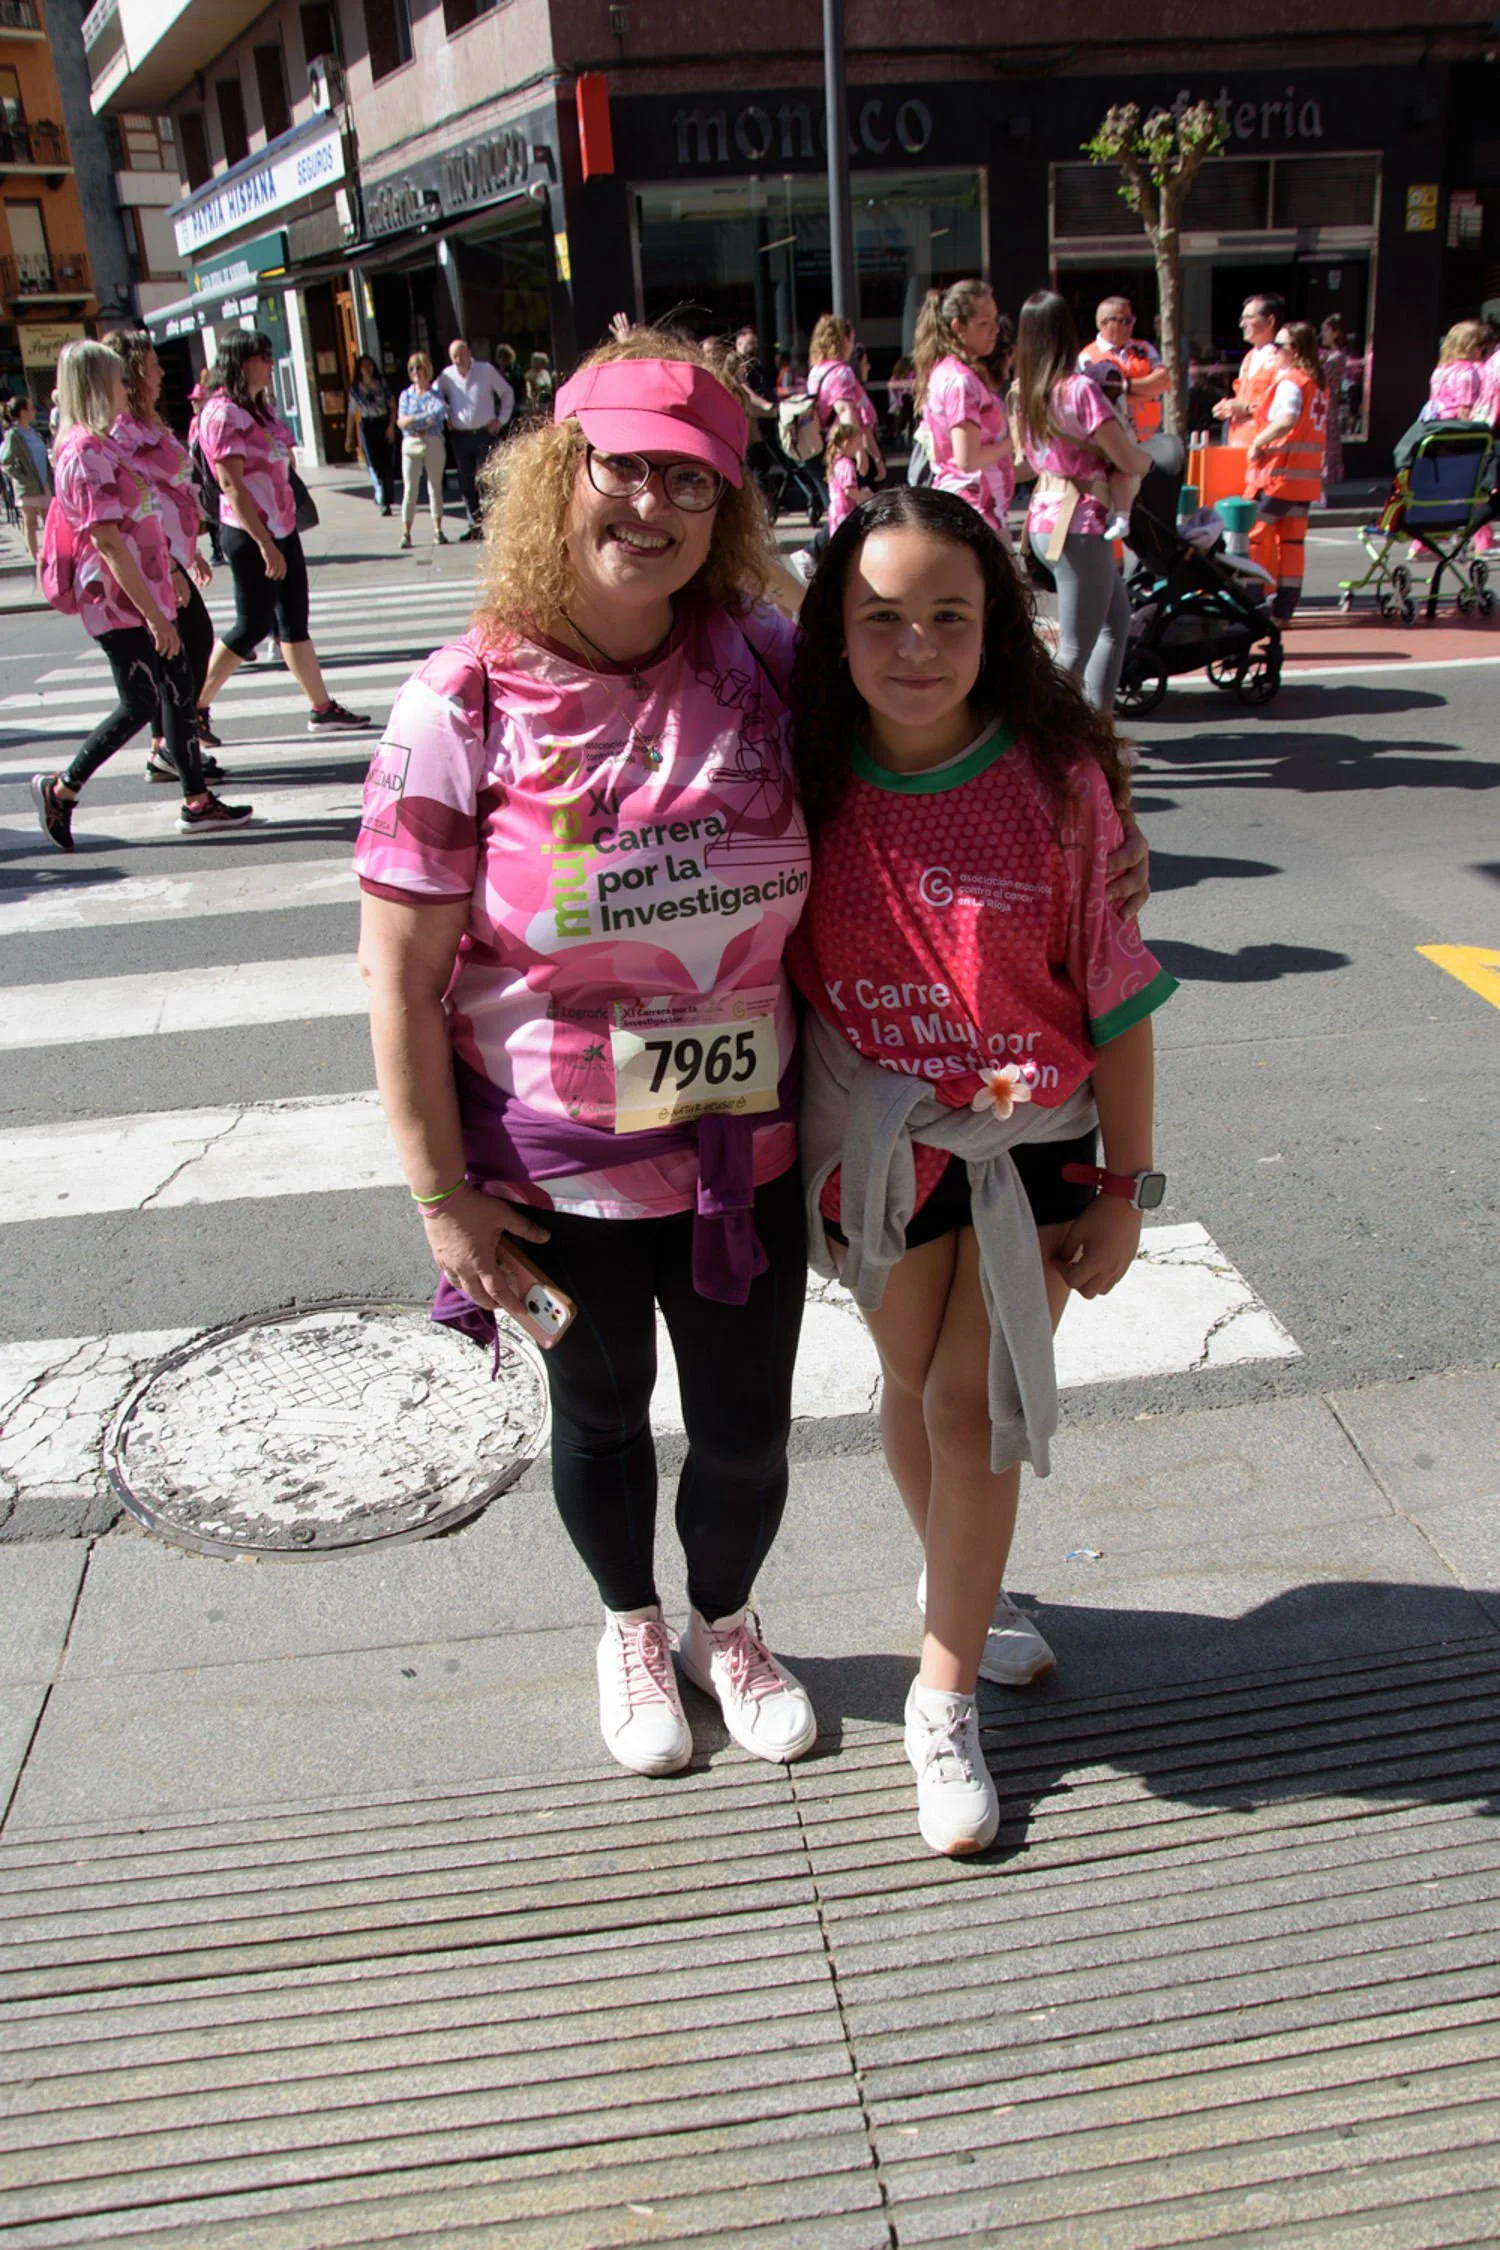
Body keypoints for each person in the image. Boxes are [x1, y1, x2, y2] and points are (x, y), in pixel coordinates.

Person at [355, 336, 821, 1781]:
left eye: (694, 480)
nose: (654, 505)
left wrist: (1087, 828)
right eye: (625, 466)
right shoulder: (461, 702)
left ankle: (724, 1624)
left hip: (747, 1158)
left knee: (744, 1435)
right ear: (562, 474)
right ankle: (630, 1622)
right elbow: (401, 972)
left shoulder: (762, 660)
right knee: (602, 1416)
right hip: (555, 1179)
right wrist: (442, 1196)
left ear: (726, 511)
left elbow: (940, 726)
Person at [786, 485, 1173, 1855]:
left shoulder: (1058, 782)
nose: (914, 644)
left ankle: (937, 1697)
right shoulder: (807, 775)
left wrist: (1127, 1187)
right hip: (878, 1149)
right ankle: (969, 1592)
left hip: (1037, 1146)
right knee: (911, 1384)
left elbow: (1118, 1000)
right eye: (879, 616)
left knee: (974, 1407)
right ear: (831, 632)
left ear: (997, 622)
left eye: (950, 613)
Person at [28, 340, 251, 851]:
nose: (127, 386)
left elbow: (140, 519)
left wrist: (168, 571)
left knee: (177, 687)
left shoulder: (104, 443)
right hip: (117, 602)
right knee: (141, 700)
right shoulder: (83, 453)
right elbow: (107, 542)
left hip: (146, 591)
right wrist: (154, 615)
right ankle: (62, 789)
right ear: (97, 385)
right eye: (119, 378)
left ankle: (197, 802)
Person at [193, 331, 370, 738]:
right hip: (251, 533)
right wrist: (264, 543)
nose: (271, 364)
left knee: (294, 622)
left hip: (280, 528)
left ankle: (321, 707)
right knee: (252, 625)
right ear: (241, 361)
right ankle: (195, 705)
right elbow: (231, 486)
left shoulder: (259, 410)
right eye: (264, 356)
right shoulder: (223, 414)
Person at [1012, 289, 1153, 712]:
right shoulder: (1078, 391)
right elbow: (1126, 457)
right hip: (1081, 524)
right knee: (1075, 649)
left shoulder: (1024, 392)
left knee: (1114, 623)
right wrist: (1147, 460)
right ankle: (1045, 745)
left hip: (1044, 520)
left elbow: (1023, 463)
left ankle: (1095, 735)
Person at [103, 327, 226, 787]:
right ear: (133, 373)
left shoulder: (147, 424)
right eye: (153, 365)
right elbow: (142, 504)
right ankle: (174, 752)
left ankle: (168, 749)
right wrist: (172, 563)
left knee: (183, 651)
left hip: (170, 555)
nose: (160, 372)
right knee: (187, 647)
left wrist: (188, 551)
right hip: (154, 561)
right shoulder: (123, 433)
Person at [913, 279, 1015, 542]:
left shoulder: (948, 372)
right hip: (975, 512)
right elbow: (967, 459)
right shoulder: (961, 380)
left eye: (994, 320)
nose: (995, 330)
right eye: (984, 324)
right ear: (958, 327)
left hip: (973, 510)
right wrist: (1015, 440)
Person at [1245, 320, 1326, 622]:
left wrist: (1258, 441)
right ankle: (1285, 611)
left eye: (1280, 346)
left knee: (1249, 537)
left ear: (1295, 351)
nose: (1274, 351)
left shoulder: (1291, 381)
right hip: (1304, 482)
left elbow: (1287, 419)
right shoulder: (1315, 382)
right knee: (1292, 545)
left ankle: (1254, 606)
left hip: (1279, 476)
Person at [436, 338, 514, 538]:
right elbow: (433, 396)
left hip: (484, 433)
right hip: (461, 436)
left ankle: (495, 524)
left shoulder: (485, 370)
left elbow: (507, 393)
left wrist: (501, 419)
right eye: (454, 356)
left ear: (469, 353)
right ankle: (474, 525)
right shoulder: (447, 376)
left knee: (488, 479)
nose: (458, 360)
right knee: (466, 481)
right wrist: (445, 415)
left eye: (461, 355)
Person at [1078, 296, 1169, 440]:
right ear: (1103, 323)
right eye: (1124, 321)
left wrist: (1125, 387)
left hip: (1151, 439)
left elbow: (1164, 381)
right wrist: (1150, 393)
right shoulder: (1088, 357)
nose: (1130, 325)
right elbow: (1102, 400)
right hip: (1115, 443)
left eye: (1132, 320)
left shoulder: (1144, 347)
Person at [806, 312, 883, 481]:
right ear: (843, 341)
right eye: (851, 340)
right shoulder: (841, 372)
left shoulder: (815, 372)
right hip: (844, 449)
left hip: (825, 446)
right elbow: (846, 411)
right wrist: (858, 450)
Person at [1212, 295, 1285, 448]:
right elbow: (1244, 397)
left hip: (1265, 448)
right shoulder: (1249, 357)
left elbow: (1283, 408)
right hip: (1240, 446)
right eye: (1241, 319)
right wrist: (1227, 408)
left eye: (1249, 318)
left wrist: (1244, 409)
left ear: (1270, 321)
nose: (1242, 324)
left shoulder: (1282, 358)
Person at [396, 351, 449, 550]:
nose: (416, 372)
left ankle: (437, 530)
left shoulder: (436, 394)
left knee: (434, 487)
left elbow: (438, 414)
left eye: (420, 367)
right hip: (411, 444)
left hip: (433, 442)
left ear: (427, 370)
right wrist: (420, 419)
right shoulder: (405, 395)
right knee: (410, 489)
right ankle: (406, 533)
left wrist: (413, 419)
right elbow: (402, 422)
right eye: (412, 368)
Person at [345, 354, 396, 514]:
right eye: (364, 366)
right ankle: (381, 496)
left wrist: (391, 427)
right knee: (373, 463)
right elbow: (352, 414)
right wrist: (349, 437)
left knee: (386, 463)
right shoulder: (355, 390)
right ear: (359, 369)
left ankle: (386, 499)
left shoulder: (381, 385)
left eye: (370, 365)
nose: (367, 369)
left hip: (383, 422)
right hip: (367, 426)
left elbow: (392, 405)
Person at [2, 392, 51, 559]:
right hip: (28, 486)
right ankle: (34, 556)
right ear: (23, 412)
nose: (34, 411)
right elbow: (6, 462)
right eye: (31, 408)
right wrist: (22, 478)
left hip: (43, 483)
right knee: (30, 522)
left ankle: (50, 553)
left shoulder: (33, 432)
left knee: (49, 520)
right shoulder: (13, 435)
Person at [1422, 321, 1489, 423]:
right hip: (1456, 428)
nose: (1483, 348)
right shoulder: (1467, 371)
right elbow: (1464, 410)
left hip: (1435, 425)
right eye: (1480, 344)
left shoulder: (1440, 370)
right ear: (1467, 346)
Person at [1318, 317, 1348, 490]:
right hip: (1324, 403)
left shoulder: (1337, 357)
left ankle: (1325, 479)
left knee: (1326, 442)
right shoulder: (1327, 356)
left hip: (1327, 405)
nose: (1323, 335)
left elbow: (1322, 379)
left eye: (1326, 331)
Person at [823, 418, 863, 534]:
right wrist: (865, 496)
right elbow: (849, 491)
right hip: (845, 512)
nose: (858, 448)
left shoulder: (835, 462)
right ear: (846, 444)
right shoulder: (847, 464)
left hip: (835, 511)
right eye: (857, 444)